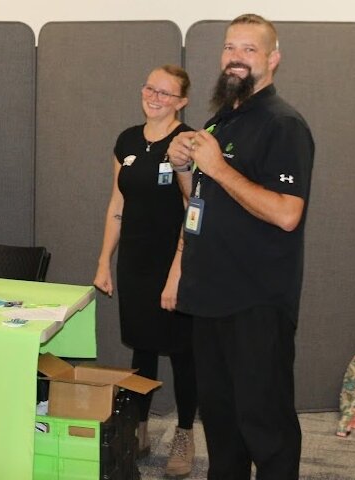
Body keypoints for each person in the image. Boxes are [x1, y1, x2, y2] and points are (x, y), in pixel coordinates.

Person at [167, 14, 314, 480]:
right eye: (230, 48)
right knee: (224, 432)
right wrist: (186, 168)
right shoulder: (222, 120)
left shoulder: (283, 124)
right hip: (209, 299)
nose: (236, 57)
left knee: (266, 431)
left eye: (249, 49)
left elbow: (287, 214)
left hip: (255, 305)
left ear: (273, 59)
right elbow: (203, 204)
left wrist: (219, 166)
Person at [93, 65, 197, 477]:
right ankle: (138, 428)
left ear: (182, 102)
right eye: (151, 88)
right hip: (134, 262)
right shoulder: (126, 140)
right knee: (142, 347)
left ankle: (186, 434)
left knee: (184, 352)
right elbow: (117, 205)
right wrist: (104, 261)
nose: (155, 97)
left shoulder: (188, 142)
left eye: (166, 93)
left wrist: (177, 273)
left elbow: (194, 210)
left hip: (175, 262)